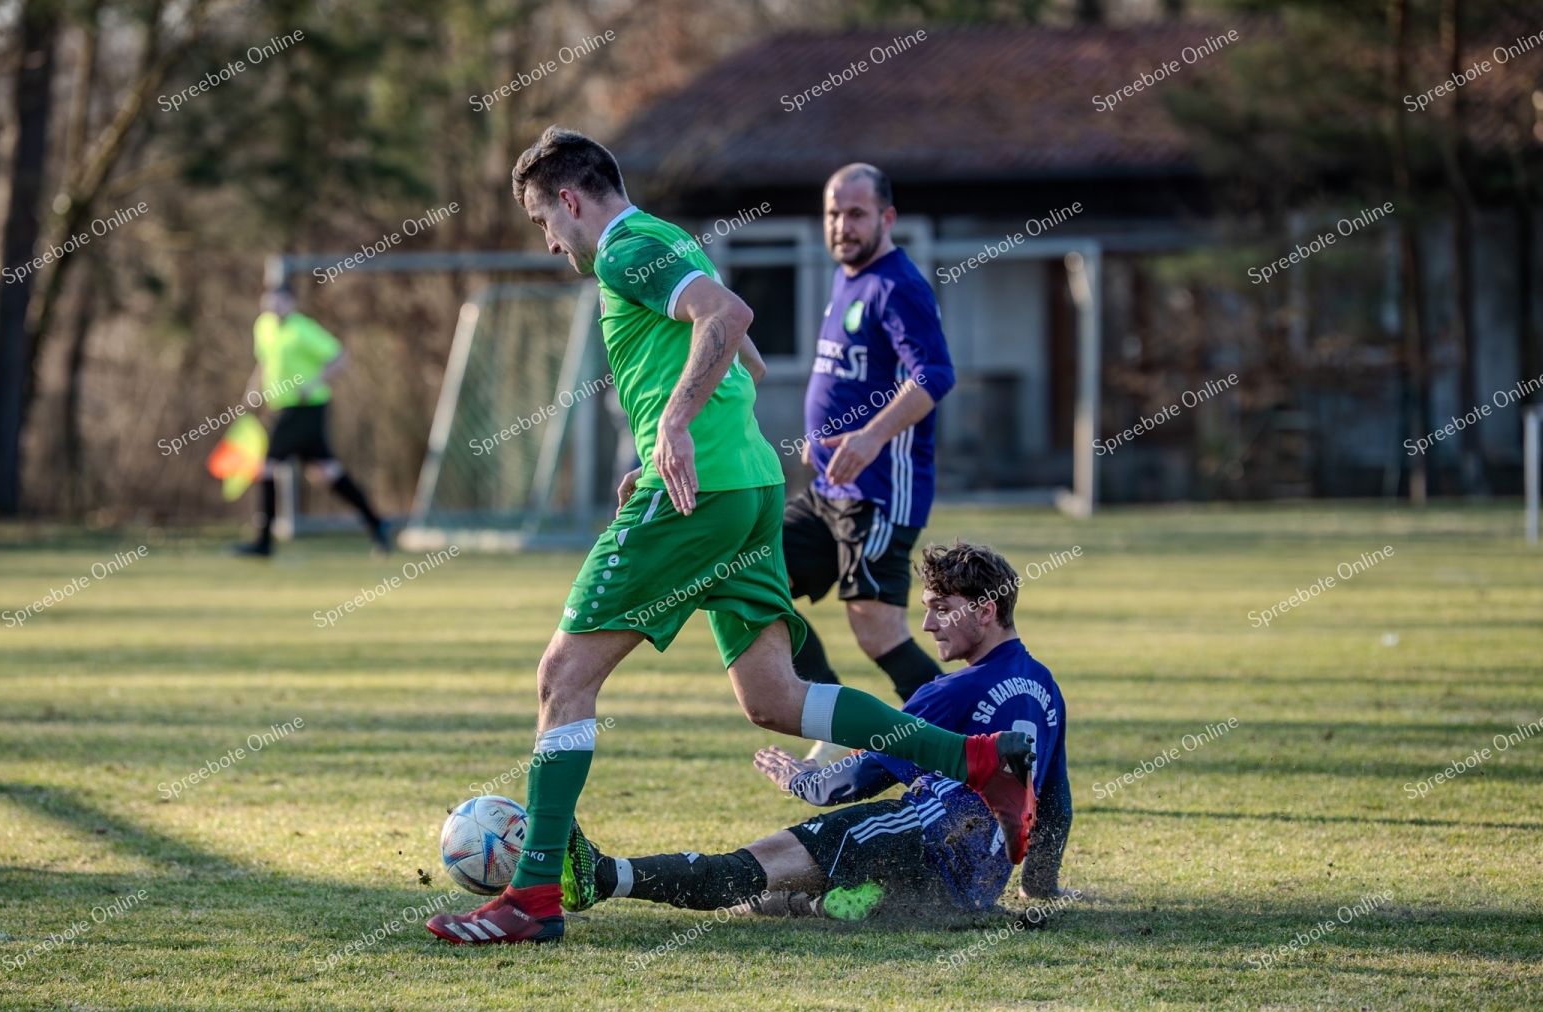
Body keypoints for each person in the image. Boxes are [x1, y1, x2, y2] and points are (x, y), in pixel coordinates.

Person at [426, 128, 1034, 946]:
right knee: (775, 700)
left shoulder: (623, 249)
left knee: (562, 677)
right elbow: (745, 357)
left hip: (701, 493)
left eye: (544, 221)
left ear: (569, 200)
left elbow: (729, 317)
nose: (549, 241)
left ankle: (531, 897)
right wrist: (668, 436)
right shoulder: (670, 238)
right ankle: (979, 760)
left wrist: (673, 429)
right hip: (747, 486)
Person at [559, 541, 1074, 921]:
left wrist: (801, 778)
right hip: (974, 886)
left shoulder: (952, 692)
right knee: (803, 892)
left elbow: (857, 780)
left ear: (986, 610)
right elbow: (1054, 803)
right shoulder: (1046, 688)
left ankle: (603, 875)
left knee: (747, 870)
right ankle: (829, 903)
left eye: (941, 610)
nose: (928, 625)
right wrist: (1039, 886)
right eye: (926, 610)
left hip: (921, 841)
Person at [788, 164, 956, 762]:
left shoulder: (897, 285)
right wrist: (822, 440)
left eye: (856, 213)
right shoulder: (846, 278)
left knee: (876, 630)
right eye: (833, 213)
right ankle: (834, 721)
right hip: (828, 489)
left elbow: (934, 374)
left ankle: (971, 751)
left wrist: (870, 436)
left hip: (880, 492)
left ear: (887, 218)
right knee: (751, 577)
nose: (842, 225)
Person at [235, 286, 389, 557]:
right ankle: (376, 523)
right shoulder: (264, 327)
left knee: (267, 467)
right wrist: (252, 390)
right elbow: (264, 362)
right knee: (327, 472)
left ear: (292, 303)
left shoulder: (302, 330)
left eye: (280, 303)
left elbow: (339, 356)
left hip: (305, 408)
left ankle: (263, 543)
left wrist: (313, 383)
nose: (273, 308)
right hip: (282, 408)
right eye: (269, 303)